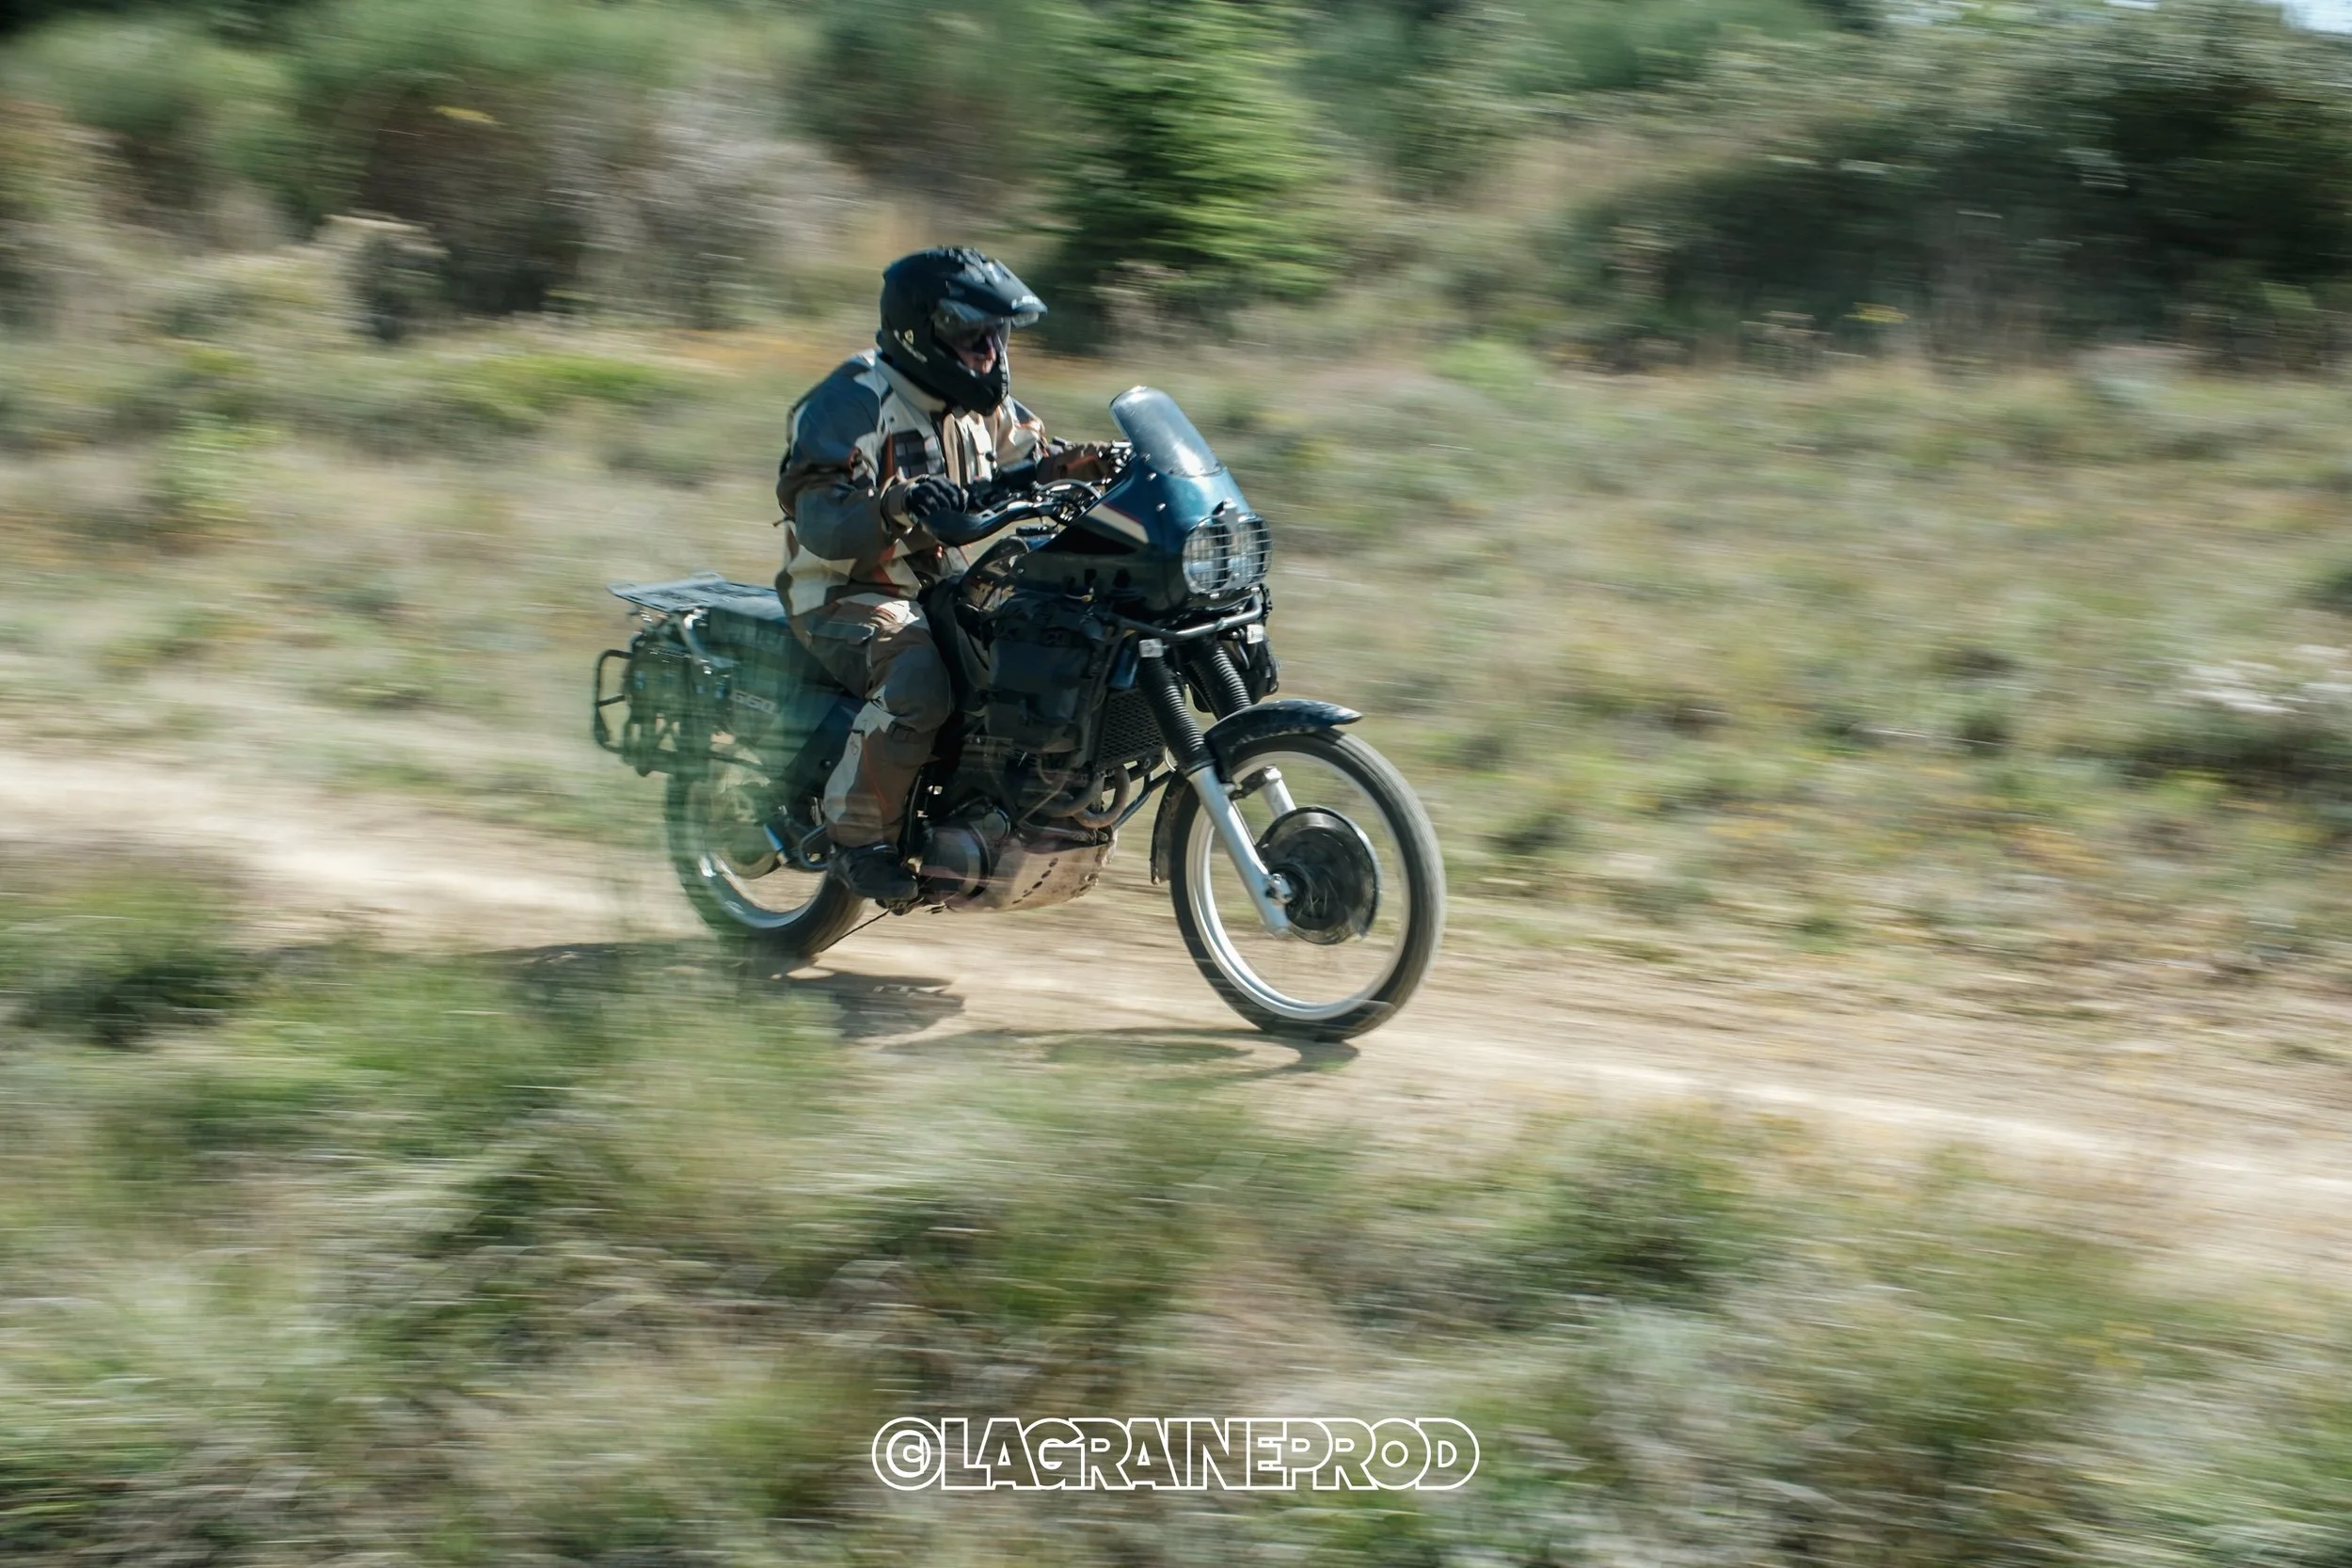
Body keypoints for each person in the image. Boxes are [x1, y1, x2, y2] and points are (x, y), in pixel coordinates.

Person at [773, 247, 1116, 902]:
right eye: (971, 333)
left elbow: (1034, 459)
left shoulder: (979, 402)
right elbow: (820, 519)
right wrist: (896, 504)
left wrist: (1095, 465)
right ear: (922, 330)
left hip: (942, 581)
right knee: (917, 678)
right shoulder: (850, 401)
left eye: (997, 334)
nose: (989, 350)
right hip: (847, 588)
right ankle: (858, 839)